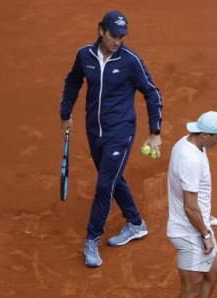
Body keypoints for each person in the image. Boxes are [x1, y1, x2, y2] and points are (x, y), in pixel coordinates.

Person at [59, 10, 163, 268]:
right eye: (113, 35)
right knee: (113, 179)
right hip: (94, 131)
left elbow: (152, 93)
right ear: (100, 31)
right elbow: (73, 82)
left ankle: (91, 239)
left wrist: (155, 132)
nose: (118, 40)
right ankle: (136, 223)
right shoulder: (85, 55)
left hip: (121, 132)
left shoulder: (130, 61)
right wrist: (65, 113)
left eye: (122, 36)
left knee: (105, 185)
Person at [166, 111, 217, 298]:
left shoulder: (188, 142)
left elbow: (193, 201)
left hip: (197, 223)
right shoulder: (190, 160)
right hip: (189, 233)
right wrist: (205, 233)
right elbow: (190, 206)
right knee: (191, 290)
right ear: (204, 134)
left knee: (213, 274)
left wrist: (204, 215)